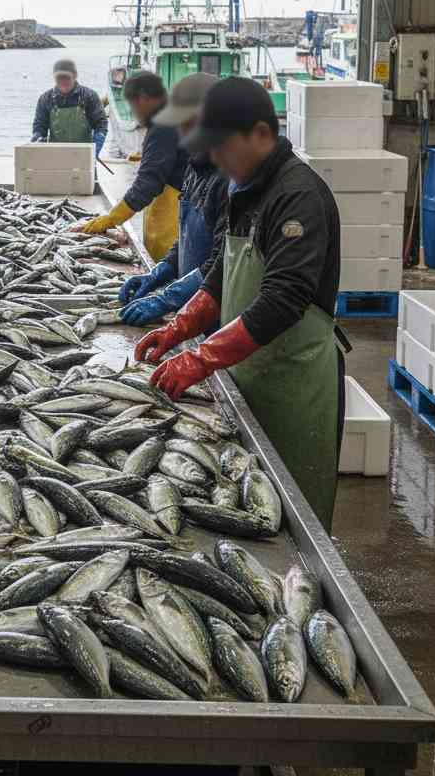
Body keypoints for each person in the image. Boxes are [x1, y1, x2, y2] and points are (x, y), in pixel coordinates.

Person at [135, 76, 344, 531]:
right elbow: (221, 271)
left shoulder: (297, 196)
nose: (216, 158)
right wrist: (181, 326)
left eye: (224, 146)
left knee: (289, 522)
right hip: (246, 368)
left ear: (262, 135)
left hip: (294, 382)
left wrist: (201, 358)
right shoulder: (243, 186)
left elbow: (283, 300)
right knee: (238, 493)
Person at [118, 73, 227, 326]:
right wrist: (164, 269)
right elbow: (189, 237)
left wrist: (168, 297)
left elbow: (225, 261)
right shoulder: (197, 164)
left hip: (222, 315)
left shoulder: (235, 178)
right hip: (191, 310)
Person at [82, 71, 186, 261]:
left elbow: (148, 183)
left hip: (174, 223)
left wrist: (112, 218)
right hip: (180, 212)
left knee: (168, 275)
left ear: (143, 99)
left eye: (132, 105)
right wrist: (146, 157)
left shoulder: (163, 126)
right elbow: (179, 156)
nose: (133, 113)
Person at [31, 58, 108, 157]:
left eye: (66, 77)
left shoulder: (89, 96)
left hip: (84, 155)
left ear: (75, 76)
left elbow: (101, 124)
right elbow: (40, 126)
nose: (63, 81)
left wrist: (94, 150)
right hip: (55, 155)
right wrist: (38, 140)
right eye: (59, 77)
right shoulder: (45, 99)